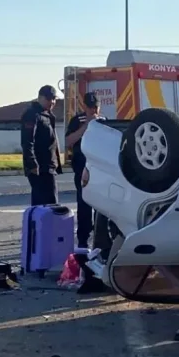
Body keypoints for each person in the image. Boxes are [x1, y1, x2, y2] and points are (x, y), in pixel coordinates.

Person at [65, 91, 105, 249]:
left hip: (100, 169)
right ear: (84, 107)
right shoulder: (77, 120)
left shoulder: (103, 121)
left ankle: (101, 239)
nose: (93, 111)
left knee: (101, 206)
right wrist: (86, 127)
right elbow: (68, 141)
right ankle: (83, 239)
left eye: (96, 107)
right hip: (82, 168)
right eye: (90, 108)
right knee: (84, 204)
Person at [20, 85, 63, 206]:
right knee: (47, 205)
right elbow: (27, 141)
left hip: (49, 166)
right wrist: (32, 163)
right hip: (39, 168)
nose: (52, 102)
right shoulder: (32, 114)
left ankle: (44, 225)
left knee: (48, 204)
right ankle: (41, 225)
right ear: (40, 98)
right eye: (49, 99)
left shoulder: (47, 115)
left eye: (54, 99)